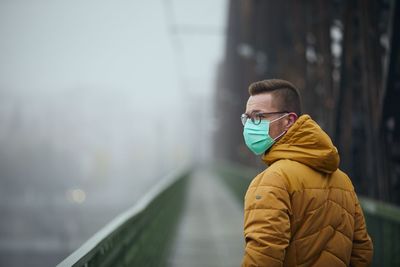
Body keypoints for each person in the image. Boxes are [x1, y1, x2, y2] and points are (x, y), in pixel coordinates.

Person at [240, 79, 373, 267]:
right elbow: (362, 251)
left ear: (288, 120)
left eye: (258, 116)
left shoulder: (273, 180)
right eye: (247, 118)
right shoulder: (343, 181)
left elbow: (263, 257)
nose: (249, 126)